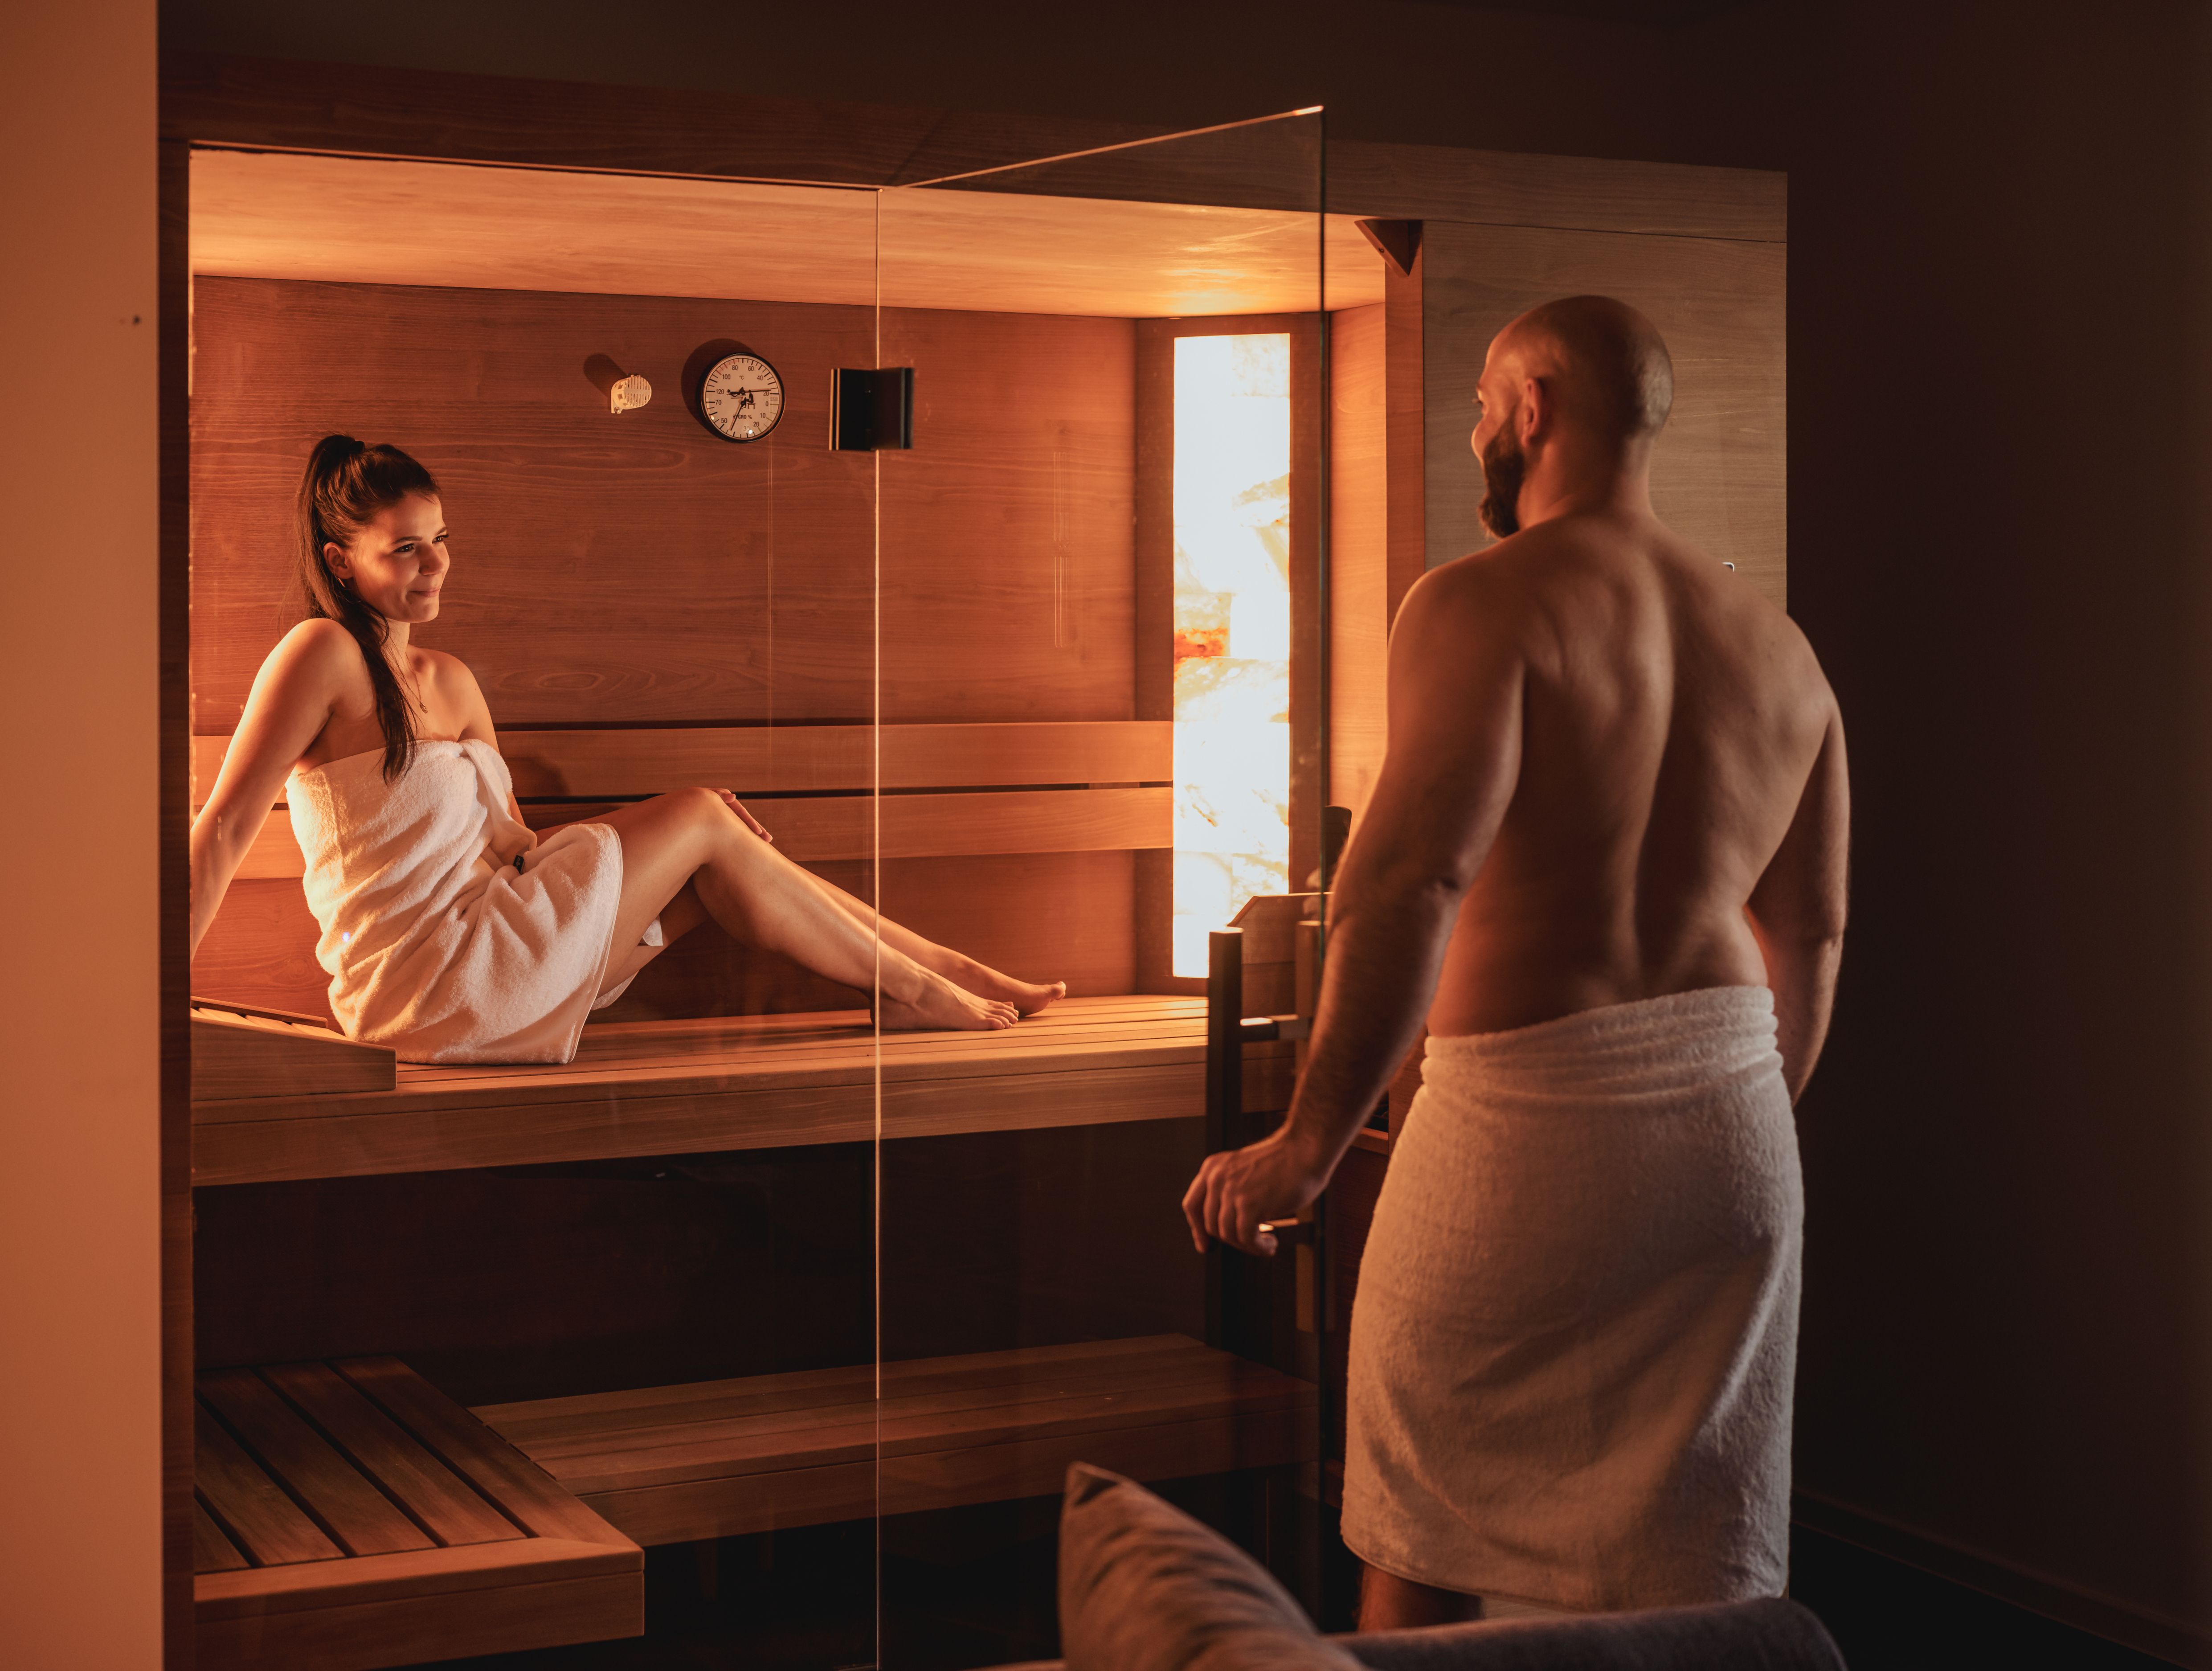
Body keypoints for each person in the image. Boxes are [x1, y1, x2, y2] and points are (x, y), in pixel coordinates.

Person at [1181, 297, 1846, 1626]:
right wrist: (1734, 1117)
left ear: (1534, 407)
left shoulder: (1477, 604)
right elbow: (1814, 932)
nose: (1478, 429)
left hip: (1525, 1128)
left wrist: (1309, 1146)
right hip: (1734, 1124)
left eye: (1484, 404)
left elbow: (1411, 881)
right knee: (1689, 1558)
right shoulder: (1780, 647)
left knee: (1425, 1515)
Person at [189, 434, 1062, 1064]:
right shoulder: (320, 655)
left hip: (498, 941)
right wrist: (155, 1000)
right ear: (342, 564)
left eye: (443, 539)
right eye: (406, 548)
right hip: (427, 982)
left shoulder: (448, 678)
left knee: (711, 835)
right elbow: (225, 825)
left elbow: (514, 848)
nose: (436, 564)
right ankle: (922, 985)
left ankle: (930, 975)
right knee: (697, 814)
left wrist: (691, 833)